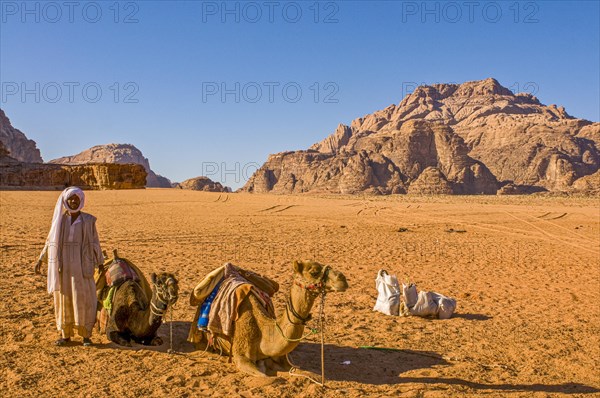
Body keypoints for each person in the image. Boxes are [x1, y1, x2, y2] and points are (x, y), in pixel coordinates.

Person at [35, 187, 104, 346]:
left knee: (84, 297)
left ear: (81, 200)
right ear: (65, 200)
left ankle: (86, 335)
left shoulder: (88, 220)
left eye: (76, 199)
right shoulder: (60, 221)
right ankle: (65, 335)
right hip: (63, 266)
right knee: (64, 298)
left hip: (82, 264)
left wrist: (99, 261)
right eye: (71, 199)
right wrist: (41, 260)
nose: (73, 201)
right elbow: (50, 241)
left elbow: (95, 242)